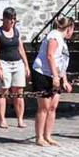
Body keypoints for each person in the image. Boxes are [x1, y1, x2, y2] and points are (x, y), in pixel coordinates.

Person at [32, 15, 74, 148]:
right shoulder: (54, 36)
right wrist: (56, 77)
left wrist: (65, 80)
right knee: (43, 107)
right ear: (69, 28)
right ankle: (39, 137)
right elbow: (50, 56)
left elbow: (61, 61)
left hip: (54, 74)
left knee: (53, 106)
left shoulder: (62, 40)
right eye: (73, 29)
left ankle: (48, 135)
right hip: (43, 73)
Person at [0, 7, 28, 129]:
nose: (12, 22)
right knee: (3, 91)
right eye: (10, 19)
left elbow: (20, 49)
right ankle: (2, 119)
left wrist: (26, 65)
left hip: (17, 63)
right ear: (4, 19)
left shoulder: (16, 31)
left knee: (19, 92)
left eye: (14, 19)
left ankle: (20, 119)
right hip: (4, 63)